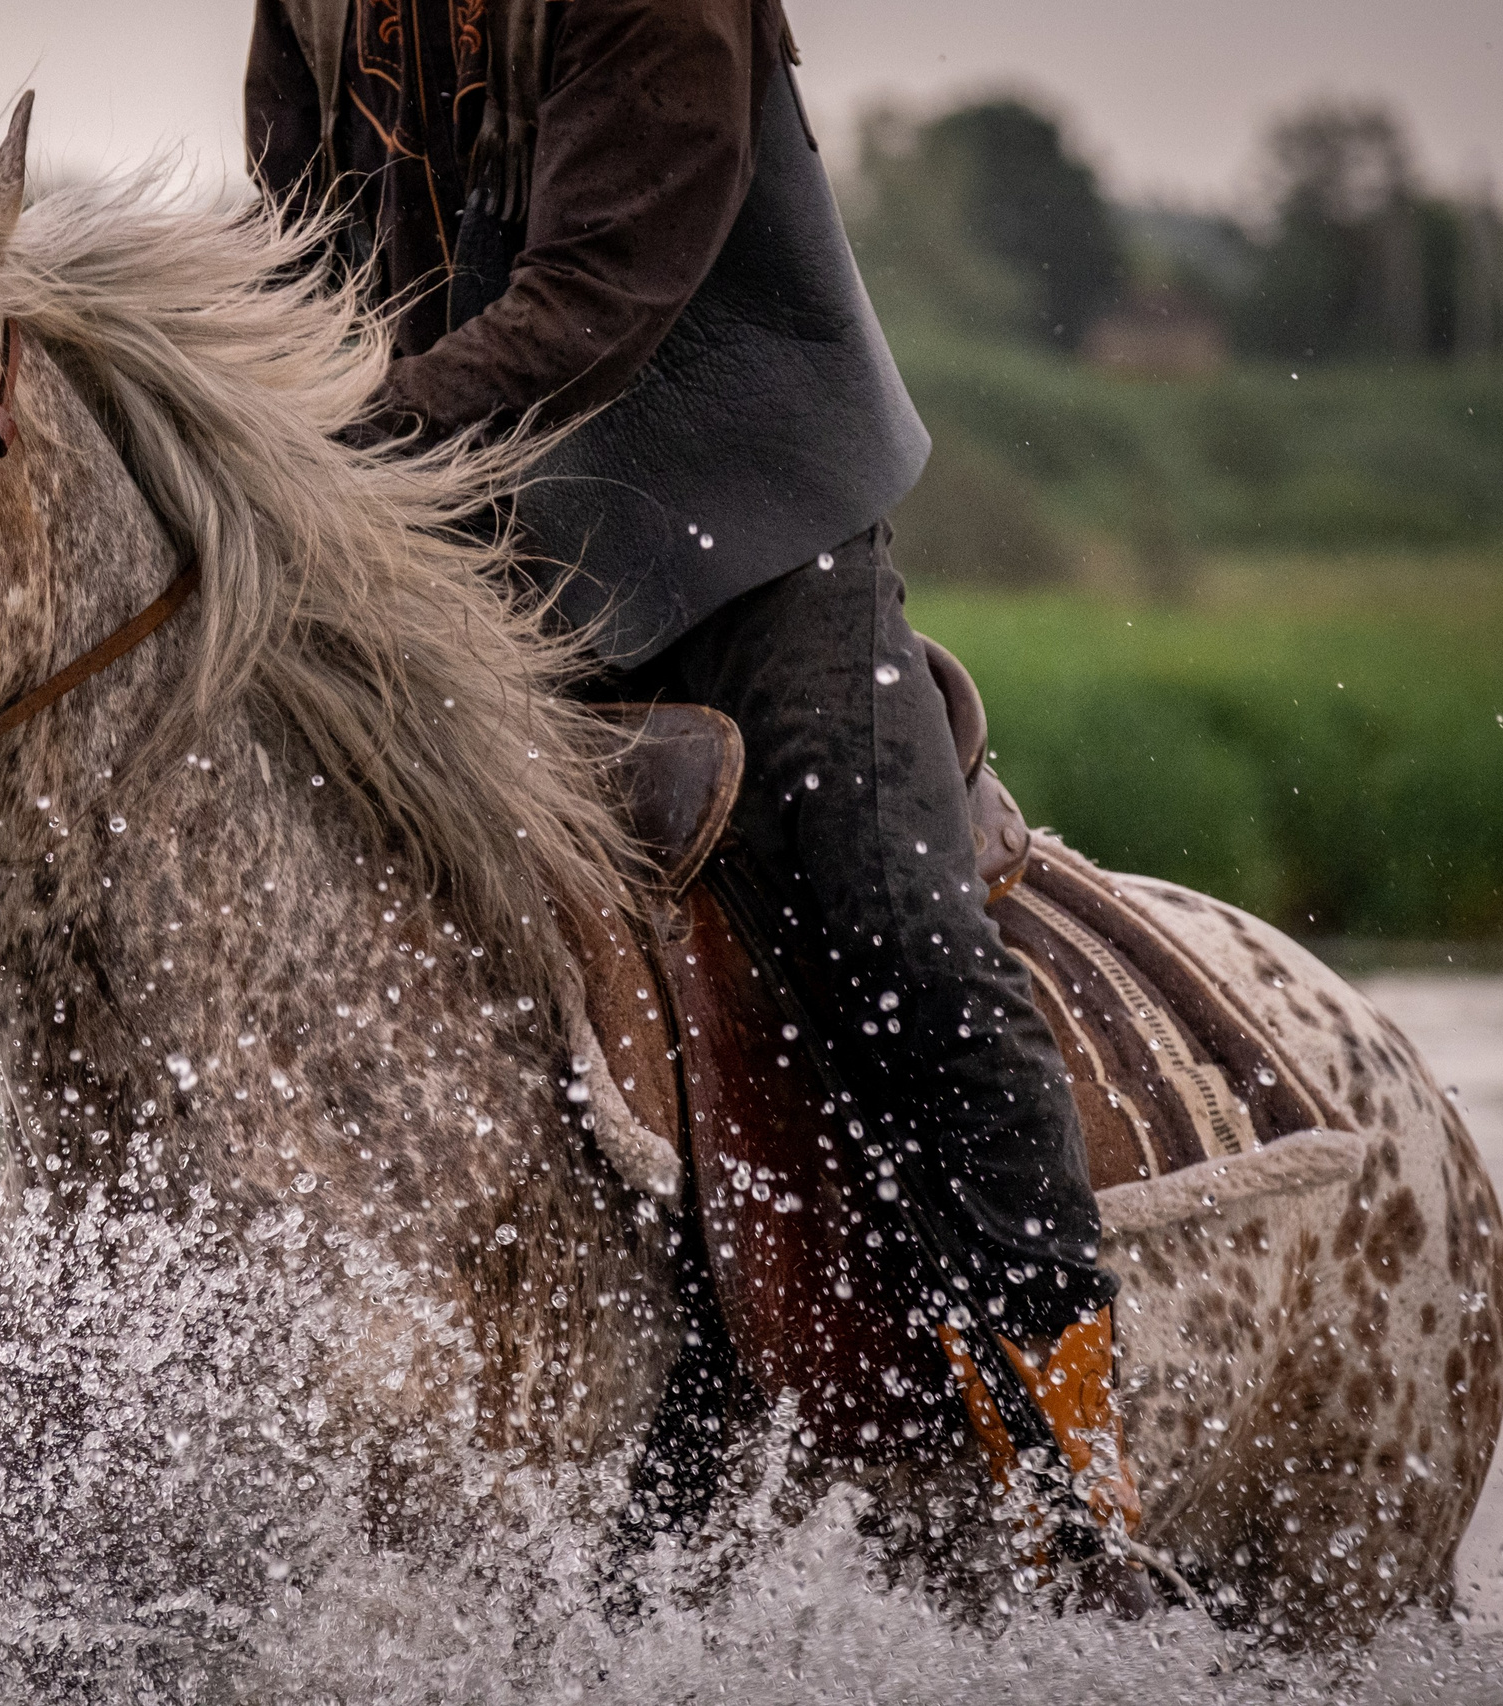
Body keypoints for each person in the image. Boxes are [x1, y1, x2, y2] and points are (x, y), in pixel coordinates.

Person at [244, 0, 1141, 1553]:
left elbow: (597, 295)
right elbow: (296, 254)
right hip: (463, 545)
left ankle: (1066, 1448)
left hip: (754, 541)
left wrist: (325, 435)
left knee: (894, 933)